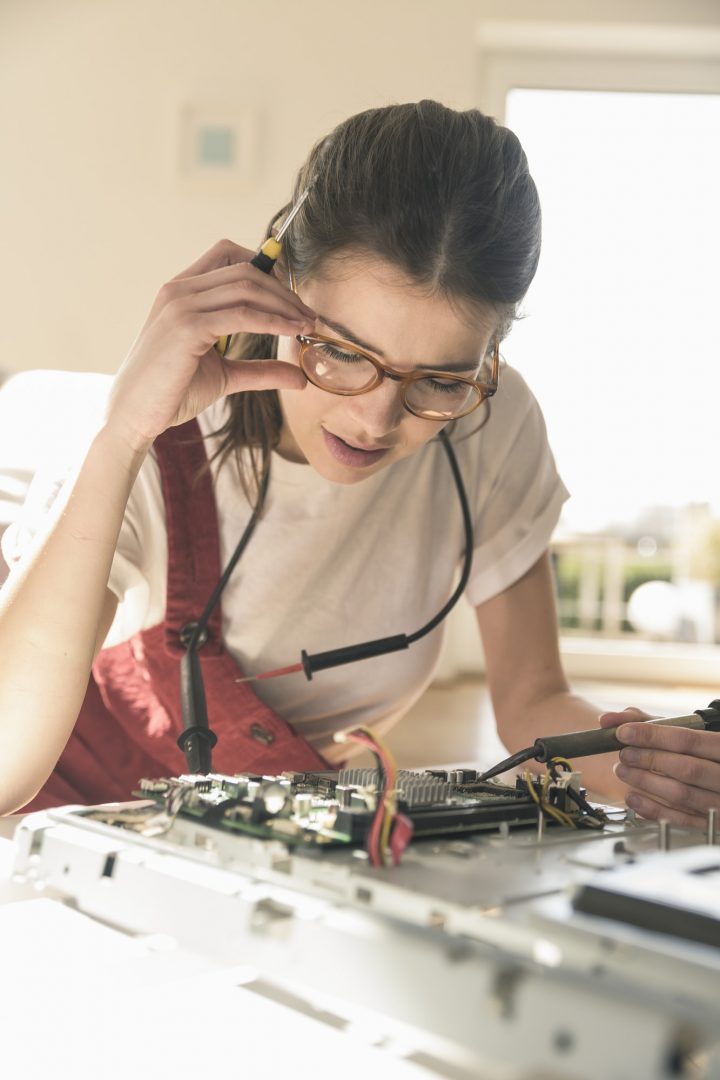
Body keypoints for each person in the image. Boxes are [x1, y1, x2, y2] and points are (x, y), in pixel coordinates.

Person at [0, 100, 718, 827]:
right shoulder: (154, 439)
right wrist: (123, 434)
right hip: (57, 820)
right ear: (276, 279)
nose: (376, 420)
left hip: (258, 835)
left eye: (439, 379)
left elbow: (531, 704)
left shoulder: (491, 424)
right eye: (342, 352)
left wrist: (650, 765)